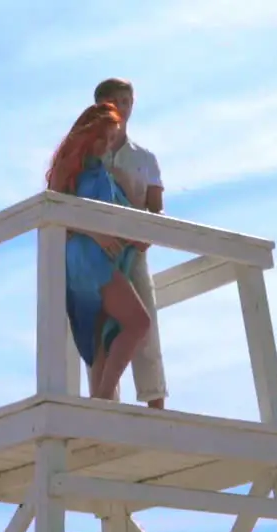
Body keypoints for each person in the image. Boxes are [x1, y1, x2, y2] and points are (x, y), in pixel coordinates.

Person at [46, 102, 151, 402]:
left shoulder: (102, 172)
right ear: (87, 134)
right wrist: (96, 233)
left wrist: (132, 238)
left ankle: (102, 401)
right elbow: (57, 212)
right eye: (101, 137)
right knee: (137, 322)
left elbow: (118, 214)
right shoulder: (71, 170)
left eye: (111, 139)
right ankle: (103, 398)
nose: (105, 145)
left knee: (103, 334)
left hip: (100, 255)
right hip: (86, 257)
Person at [93, 77, 169, 410]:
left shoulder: (145, 158)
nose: (122, 109)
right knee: (99, 332)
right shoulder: (90, 155)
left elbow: (156, 207)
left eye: (126, 101)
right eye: (114, 102)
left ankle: (156, 407)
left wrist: (146, 236)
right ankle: (108, 408)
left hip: (133, 252)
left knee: (146, 326)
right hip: (98, 254)